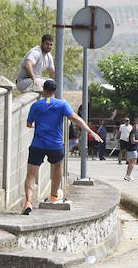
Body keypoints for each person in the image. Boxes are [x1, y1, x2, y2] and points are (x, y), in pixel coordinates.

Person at [21, 80, 100, 214]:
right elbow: (75, 118)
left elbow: (29, 124)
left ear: (43, 90)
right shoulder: (62, 104)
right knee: (58, 167)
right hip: (55, 145)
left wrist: (38, 126)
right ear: (55, 91)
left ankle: (28, 201)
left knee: (31, 174)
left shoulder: (36, 105)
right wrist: (90, 131)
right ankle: (54, 195)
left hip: (38, 144)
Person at [119, 117, 138, 182]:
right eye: (135, 125)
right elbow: (132, 141)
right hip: (132, 149)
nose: (136, 126)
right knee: (132, 163)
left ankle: (128, 175)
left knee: (131, 162)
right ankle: (128, 175)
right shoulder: (133, 132)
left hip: (132, 149)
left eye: (137, 125)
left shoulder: (134, 132)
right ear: (133, 126)